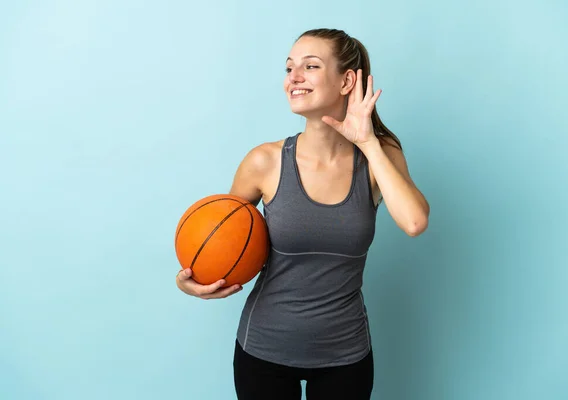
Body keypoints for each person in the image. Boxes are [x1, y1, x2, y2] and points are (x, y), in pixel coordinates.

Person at [176, 28, 430, 400]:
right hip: (263, 349)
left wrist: (368, 142)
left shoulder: (380, 156)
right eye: (289, 67)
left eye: (310, 66)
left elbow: (414, 222)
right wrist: (193, 280)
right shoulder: (264, 162)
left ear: (347, 81)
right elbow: (221, 243)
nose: (293, 77)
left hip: (345, 355)